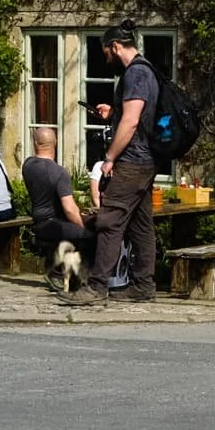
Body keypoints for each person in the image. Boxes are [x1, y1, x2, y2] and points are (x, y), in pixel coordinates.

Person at [83, 23, 158, 301]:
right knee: (141, 224)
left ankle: (96, 287)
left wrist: (110, 157)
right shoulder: (146, 70)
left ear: (115, 47)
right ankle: (143, 286)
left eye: (106, 53)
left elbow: (132, 121)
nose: (106, 60)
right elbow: (133, 115)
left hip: (132, 161)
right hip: (146, 161)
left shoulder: (136, 73)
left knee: (109, 220)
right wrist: (113, 112)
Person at [21, 126, 95, 274]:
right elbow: (69, 209)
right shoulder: (59, 172)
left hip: (38, 222)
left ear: (35, 143)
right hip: (54, 223)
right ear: (55, 142)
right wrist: (82, 226)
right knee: (91, 236)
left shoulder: (27, 165)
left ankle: (60, 269)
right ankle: (85, 275)